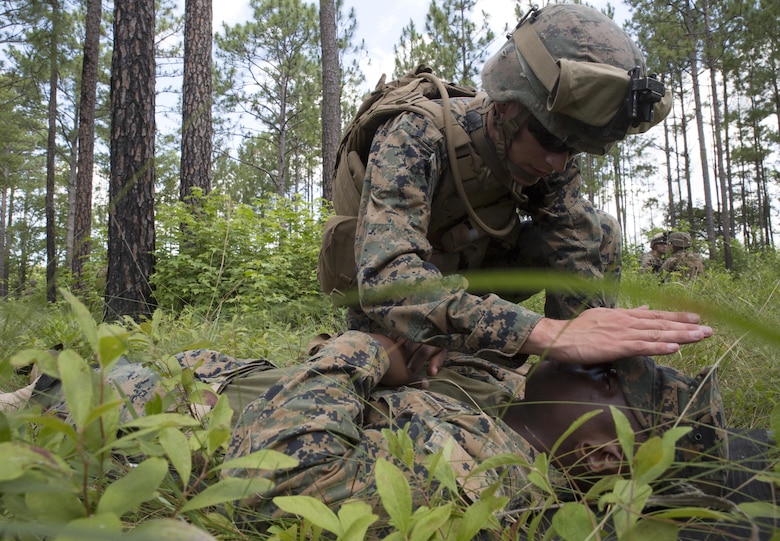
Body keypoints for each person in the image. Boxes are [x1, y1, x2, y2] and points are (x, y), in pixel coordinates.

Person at [2, 333, 775, 538]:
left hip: (109, 419)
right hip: (172, 381)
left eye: (609, 381)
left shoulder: (484, 475)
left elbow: (289, 473)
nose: (586, 362)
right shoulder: (508, 409)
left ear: (607, 455)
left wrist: (367, 352)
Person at [325, 3, 682, 373]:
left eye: (573, 149)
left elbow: (576, 242)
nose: (557, 162)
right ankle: (458, 350)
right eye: (551, 140)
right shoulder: (414, 135)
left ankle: (570, 378)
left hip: (470, 277)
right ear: (508, 108)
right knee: (399, 370)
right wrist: (543, 333)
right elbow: (386, 278)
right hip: (390, 298)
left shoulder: (549, 155)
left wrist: (585, 345)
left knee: (600, 229)